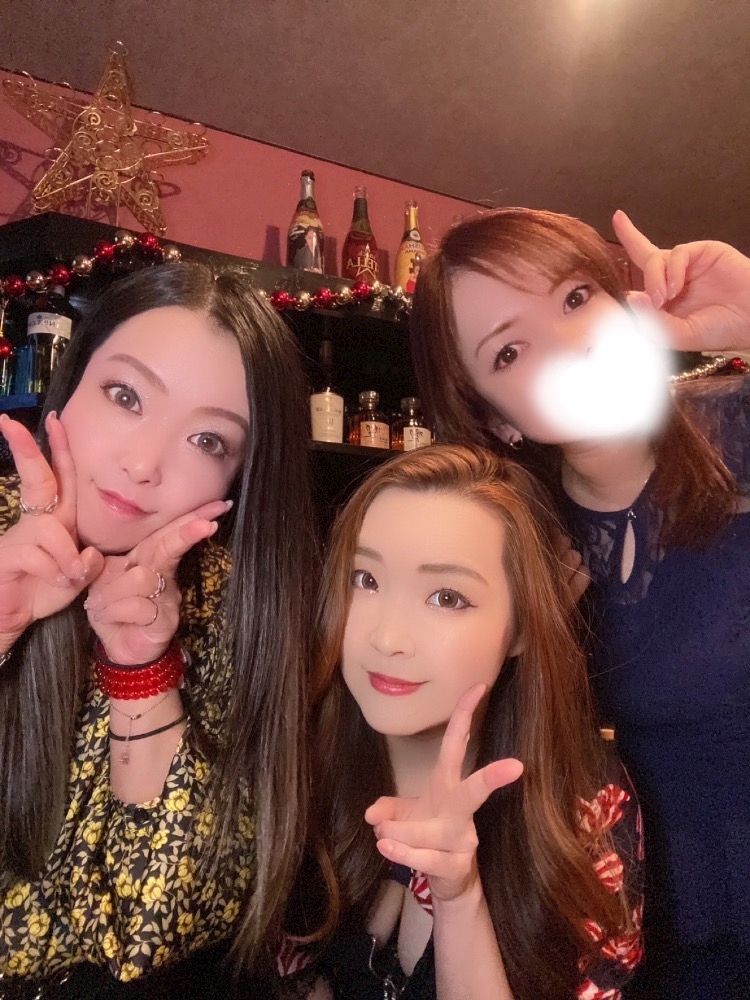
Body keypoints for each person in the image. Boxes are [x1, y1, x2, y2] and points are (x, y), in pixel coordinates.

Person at [408, 208, 750, 999]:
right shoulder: (518, 544)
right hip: (667, 927)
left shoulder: (737, 423)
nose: (571, 345)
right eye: (510, 350)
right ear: (497, 418)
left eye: (574, 298)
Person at [0, 262, 319, 997]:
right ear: (72, 382)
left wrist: (141, 670)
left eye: (207, 441)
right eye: (125, 396)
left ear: (238, 478)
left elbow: (155, 928)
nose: (143, 465)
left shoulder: (234, 605)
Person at [294, 444, 643, 1000]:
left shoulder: (582, 807)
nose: (387, 638)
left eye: (447, 597)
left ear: (521, 628)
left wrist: (458, 899)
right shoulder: (301, 766)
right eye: (365, 579)